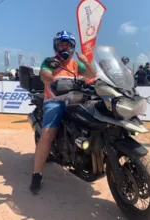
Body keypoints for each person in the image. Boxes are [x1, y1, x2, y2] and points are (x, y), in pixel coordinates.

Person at [30, 30, 97, 194]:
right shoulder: (50, 61)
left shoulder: (76, 64)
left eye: (67, 44)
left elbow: (92, 75)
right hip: (55, 100)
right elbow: (44, 74)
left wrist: (86, 63)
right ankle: (36, 174)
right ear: (56, 47)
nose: (64, 47)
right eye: (61, 44)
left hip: (76, 99)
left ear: (72, 47)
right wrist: (51, 79)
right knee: (47, 133)